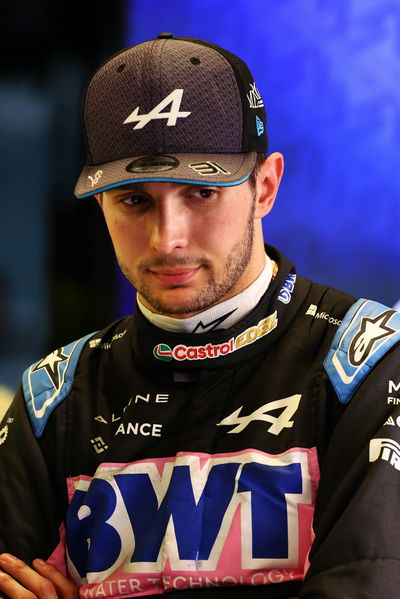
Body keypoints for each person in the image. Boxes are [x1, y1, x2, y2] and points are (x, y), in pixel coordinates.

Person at [0, 33, 400, 599]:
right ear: (100, 206)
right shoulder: (54, 395)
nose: (168, 239)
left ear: (265, 187)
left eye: (200, 192)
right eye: (134, 200)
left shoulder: (370, 362)